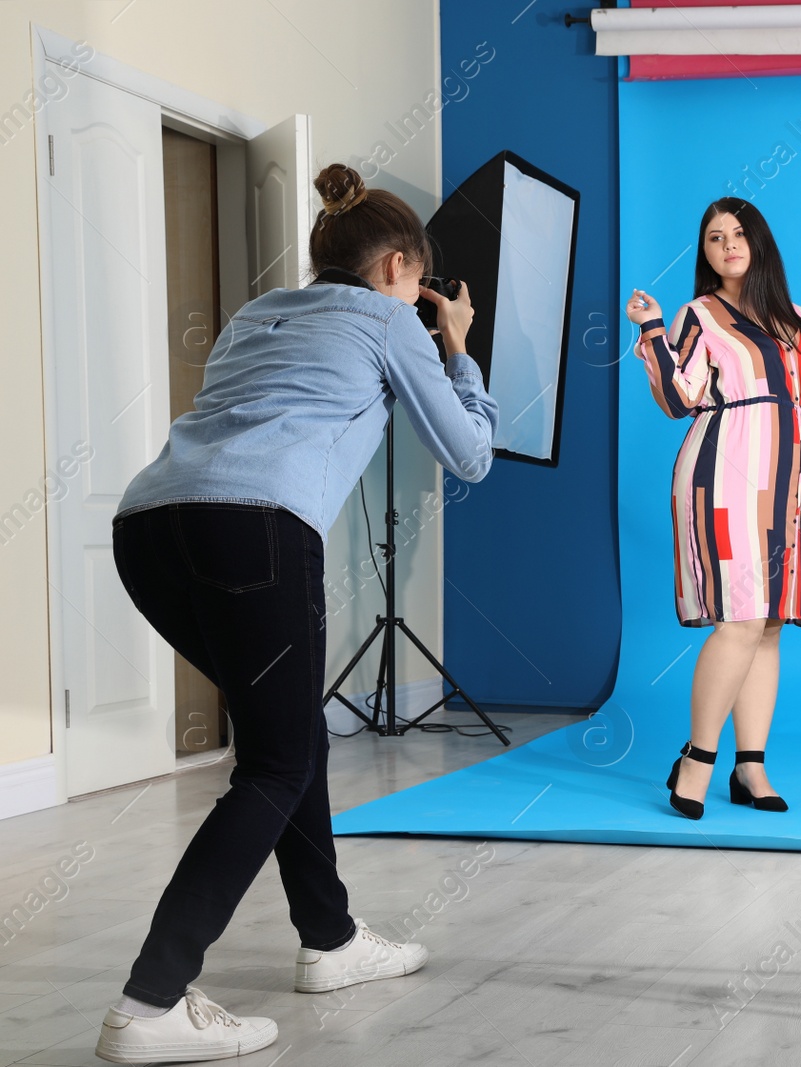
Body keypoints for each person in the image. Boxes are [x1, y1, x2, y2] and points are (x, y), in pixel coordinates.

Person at [94, 164, 498, 1064]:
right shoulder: (394, 320)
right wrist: (457, 345)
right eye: (420, 277)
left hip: (148, 528)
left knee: (288, 736)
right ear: (399, 266)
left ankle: (332, 939)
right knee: (277, 761)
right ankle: (150, 1001)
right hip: (255, 533)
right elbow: (469, 454)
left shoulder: (256, 313)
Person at [625, 197, 801, 820]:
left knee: (770, 623)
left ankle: (752, 766)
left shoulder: (799, 320)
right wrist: (651, 330)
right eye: (714, 237)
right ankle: (697, 758)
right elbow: (677, 398)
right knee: (742, 617)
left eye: (738, 234)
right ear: (705, 252)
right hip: (722, 473)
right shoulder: (699, 314)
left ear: (761, 243)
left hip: (791, 479)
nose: (727, 245)